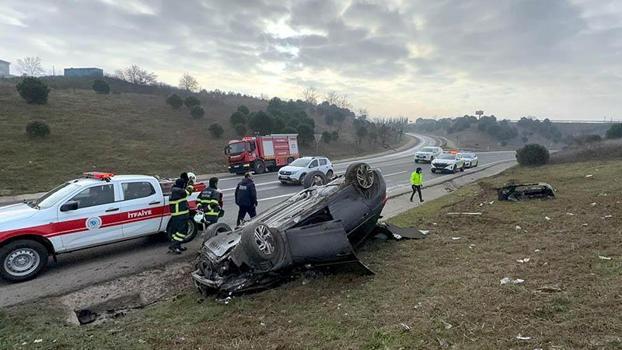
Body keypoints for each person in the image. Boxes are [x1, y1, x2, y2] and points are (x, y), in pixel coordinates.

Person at [167, 172, 194, 254]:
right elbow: (188, 192)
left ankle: (177, 246)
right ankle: (174, 245)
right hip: (181, 215)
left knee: (176, 232)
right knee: (182, 232)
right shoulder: (179, 191)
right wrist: (190, 184)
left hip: (177, 215)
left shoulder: (175, 190)